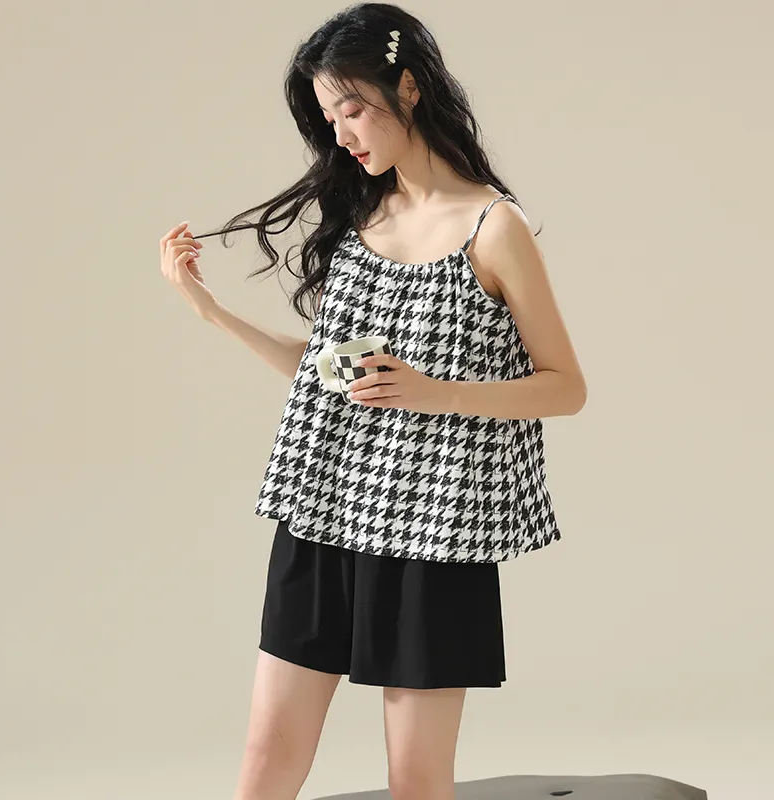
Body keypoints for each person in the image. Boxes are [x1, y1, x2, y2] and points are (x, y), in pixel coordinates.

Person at [159, 3, 587, 798]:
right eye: (330, 119)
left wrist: (432, 393)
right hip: (322, 503)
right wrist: (211, 312)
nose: (342, 134)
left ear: (410, 88)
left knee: (415, 779)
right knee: (265, 759)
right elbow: (329, 376)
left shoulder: (494, 227)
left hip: (434, 529)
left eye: (352, 109)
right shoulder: (363, 213)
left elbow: (566, 387)